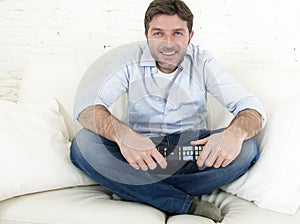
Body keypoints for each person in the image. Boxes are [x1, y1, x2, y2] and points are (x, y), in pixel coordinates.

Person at [70, 0, 266, 222]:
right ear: (146, 35)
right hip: (138, 152)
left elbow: (251, 108)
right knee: (83, 144)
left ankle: (133, 187)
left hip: (189, 152)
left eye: (177, 34)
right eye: (158, 33)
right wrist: (123, 135)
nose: (168, 43)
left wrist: (234, 134)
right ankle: (181, 202)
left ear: (190, 36)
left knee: (247, 149)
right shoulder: (128, 60)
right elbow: (86, 106)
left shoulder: (203, 62)